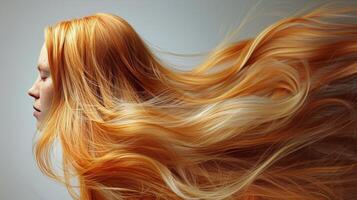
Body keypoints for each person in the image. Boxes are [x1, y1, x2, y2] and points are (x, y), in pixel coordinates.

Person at [28, 2, 357, 200]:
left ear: (82, 83)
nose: (33, 89)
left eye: (44, 75)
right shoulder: (107, 165)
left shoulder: (122, 166)